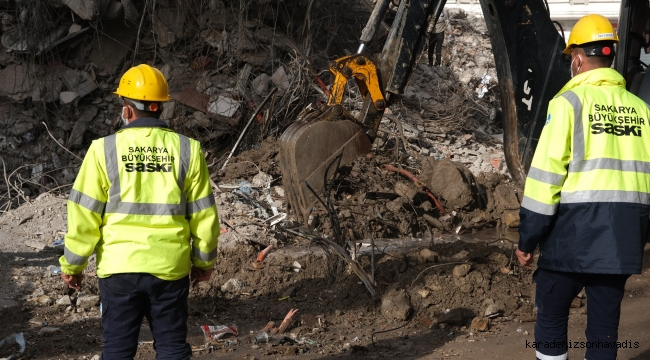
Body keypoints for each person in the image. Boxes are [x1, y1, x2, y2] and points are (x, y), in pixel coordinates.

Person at [59, 64, 220, 360]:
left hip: (119, 270)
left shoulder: (103, 150)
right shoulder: (188, 150)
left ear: (128, 110)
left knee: (118, 350)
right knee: (172, 347)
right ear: (160, 108)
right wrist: (203, 261)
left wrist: (73, 266)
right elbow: (204, 215)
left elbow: (84, 214)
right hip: (170, 268)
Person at [516, 14, 650, 360]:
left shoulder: (568, 105)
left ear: (577, 58)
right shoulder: (641, 110)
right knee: (604, 329)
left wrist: (527, 240)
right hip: (621, 243)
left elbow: (545, 181)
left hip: (569, 241)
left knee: (551, 319)